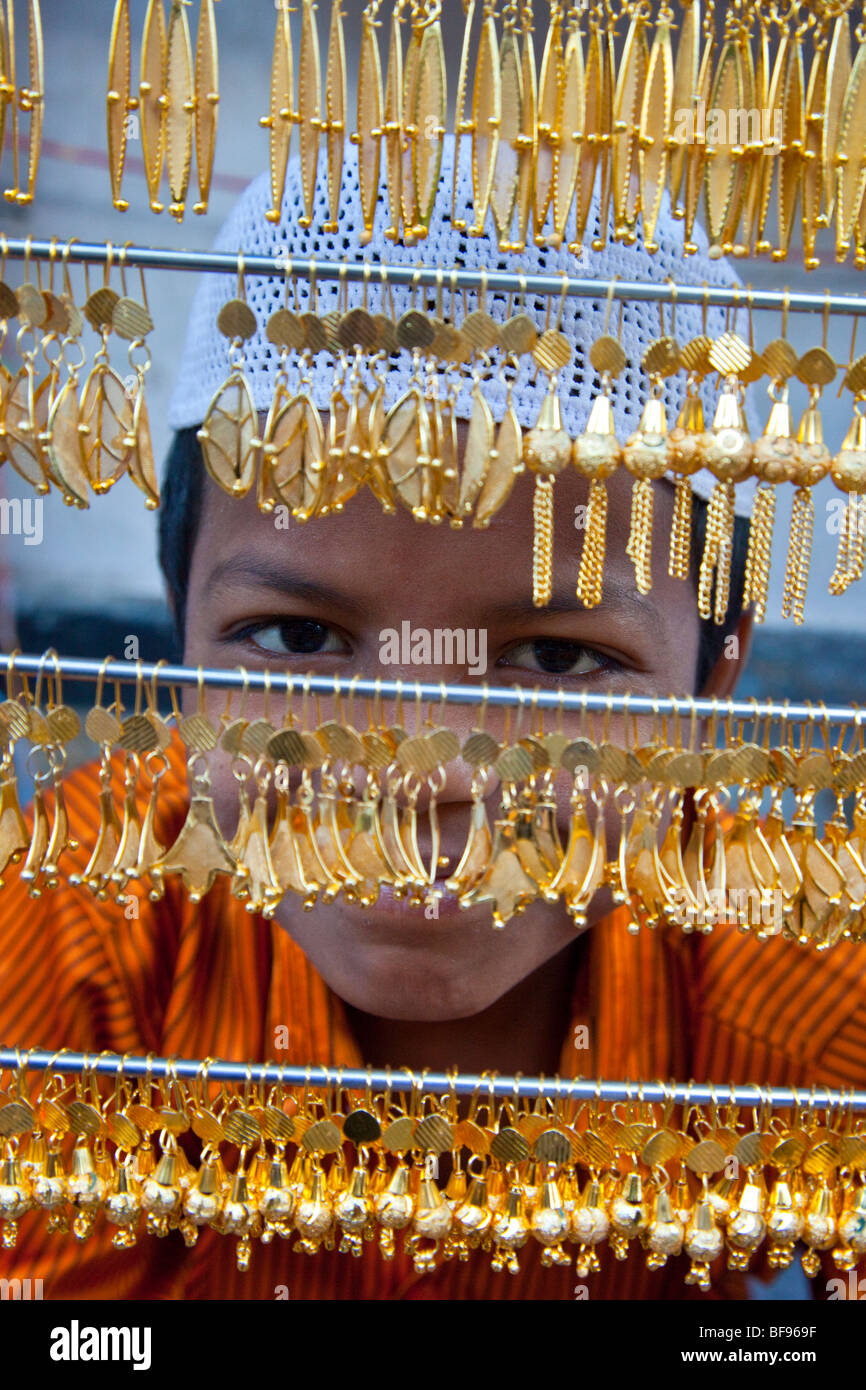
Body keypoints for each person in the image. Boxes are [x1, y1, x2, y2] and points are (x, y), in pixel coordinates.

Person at [1, 140, 863, 1302]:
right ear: (180, 639)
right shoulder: (71, 939)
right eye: (297, 641)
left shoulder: (809, 1014)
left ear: (711, 687)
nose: (414, 779)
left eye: (556, 659)